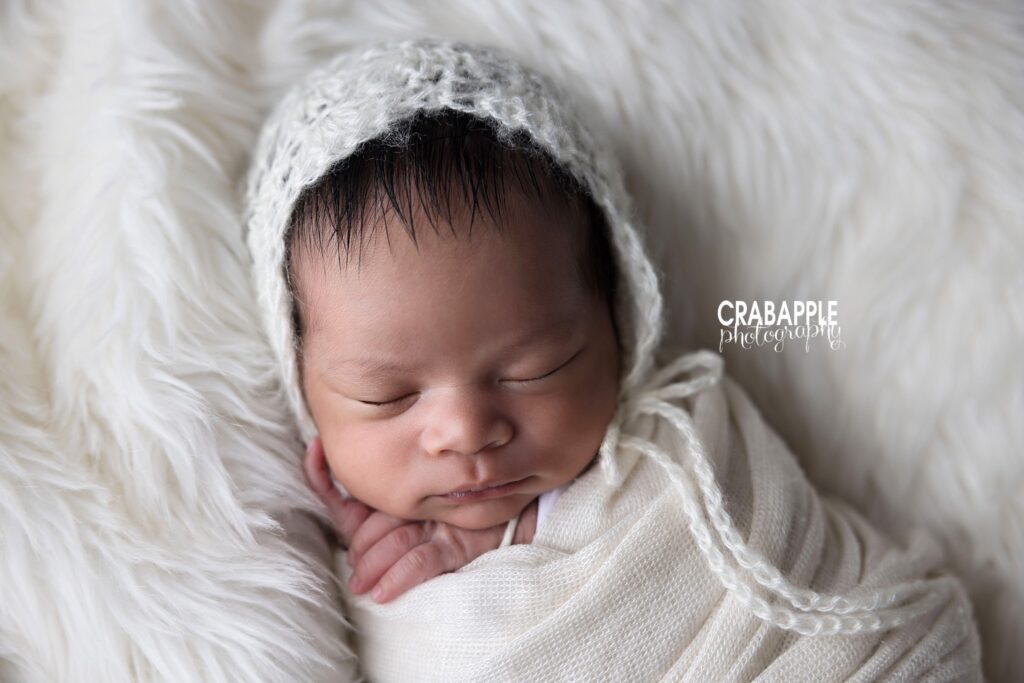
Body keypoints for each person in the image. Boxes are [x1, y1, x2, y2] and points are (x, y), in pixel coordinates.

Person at [245, 38, 982, 681]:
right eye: (389, 396)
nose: (466, 431)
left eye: (534, 367)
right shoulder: (345, 578)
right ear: (306, 387)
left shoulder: (686, 452)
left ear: (620, 319)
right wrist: (437, 579)